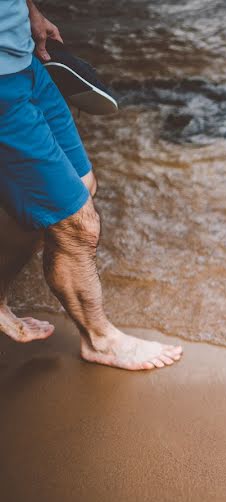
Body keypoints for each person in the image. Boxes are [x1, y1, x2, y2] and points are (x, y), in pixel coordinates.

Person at [0, 0, 182, 370]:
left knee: (82, 184)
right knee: (76, 224)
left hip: (23, 59)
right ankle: (100, 340)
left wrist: (29, 11)